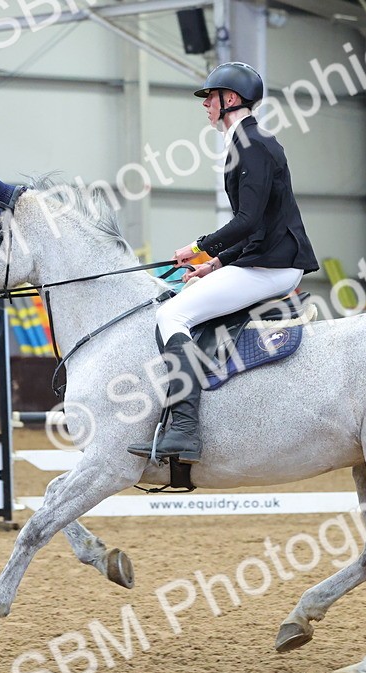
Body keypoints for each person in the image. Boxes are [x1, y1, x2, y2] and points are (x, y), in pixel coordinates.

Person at [127, 62, 319, 465]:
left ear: (229, 99)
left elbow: (247, 221)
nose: (205, 106)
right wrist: (213, 265)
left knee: (171, 315)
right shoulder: (247, 143)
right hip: (264, 259)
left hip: (274, 267)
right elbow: (258, 228)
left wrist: (197, 246)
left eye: (209, 98)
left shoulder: (250, 145)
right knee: (190, 298)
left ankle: (183, 429)